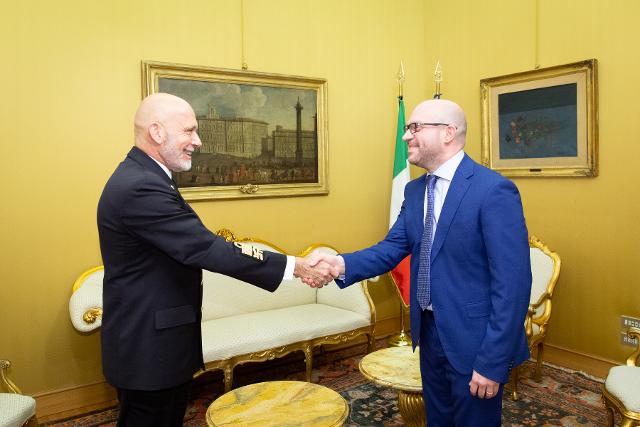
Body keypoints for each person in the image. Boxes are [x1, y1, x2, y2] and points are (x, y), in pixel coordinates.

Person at [97, 93, 336, 426]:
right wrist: (296, 266)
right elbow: (206, 248)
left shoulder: (146, 177)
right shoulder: (139, 187)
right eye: (189, 131)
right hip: (148, 350)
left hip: (156, 344)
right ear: (157, 132)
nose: (197, 140)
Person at [309, 99, 532, 426]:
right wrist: (337, 263)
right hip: (429, 334)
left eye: (414, 128)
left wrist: (492, 361)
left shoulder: (493, 190)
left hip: (475, 341)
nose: (405, 137)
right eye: (407, 128)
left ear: (448, 133)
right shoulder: (415, 191)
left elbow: (512, 285)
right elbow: (390, 249)